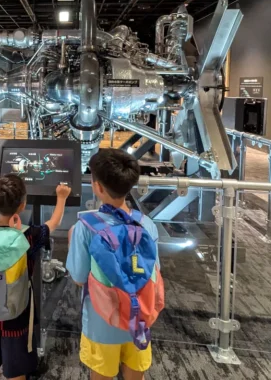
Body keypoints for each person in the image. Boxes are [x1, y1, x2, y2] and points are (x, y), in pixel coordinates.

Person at [66, 149, 161, 380]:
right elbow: (154, 273)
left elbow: (78, 278)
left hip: (101, 321)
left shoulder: (85, 227)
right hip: (138, 319)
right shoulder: (146, 224)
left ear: (96, 186)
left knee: (101, 373)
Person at [0, 174, 71, 380]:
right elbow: (54, 222)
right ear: (22, 205)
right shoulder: (29, 236)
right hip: (17, 314)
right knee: (16, 369)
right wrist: (61, 198)